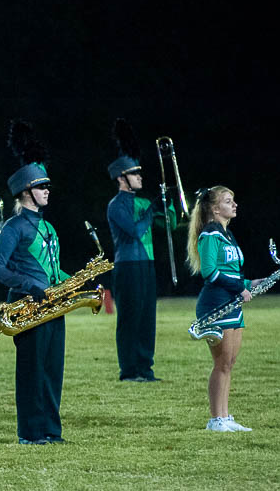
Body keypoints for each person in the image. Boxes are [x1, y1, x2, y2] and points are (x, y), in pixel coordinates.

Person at [0, 120, 67, 445]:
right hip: (29, 308)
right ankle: (31, 433)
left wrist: (75, 283)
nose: (48, 190)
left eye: (48, 185)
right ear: (25, 192)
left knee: (52, 373)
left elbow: (54, 270)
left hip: (54, 307)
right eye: (41, 186)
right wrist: (27, 285)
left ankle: (51, 430)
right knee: (32, 373)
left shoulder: (49, 228)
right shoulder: (13, 227)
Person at [105, 119, 174, 382]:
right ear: (122, 179)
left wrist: (167, 204)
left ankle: (145, 368)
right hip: (127, 267)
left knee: (147, 318)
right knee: (130, 319)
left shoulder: (143, 201)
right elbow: (133, 231)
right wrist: (151, 210)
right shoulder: (116, 205)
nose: (141, 177)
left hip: (146, 265)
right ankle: (129, 370)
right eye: (135, 174)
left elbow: (171, 223)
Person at [187, 186, 261, 432]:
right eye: (229, 201)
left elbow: (232, 272)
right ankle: (215, 419)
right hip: (216, 304)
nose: (235, 205)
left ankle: (225, 416)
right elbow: (210, 272)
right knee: (221, 363)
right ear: (215, 209)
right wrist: (240, 286)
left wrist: (251, 283)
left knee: (229, 363)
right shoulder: (210, 234)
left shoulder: (228, 235)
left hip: (233, 303)